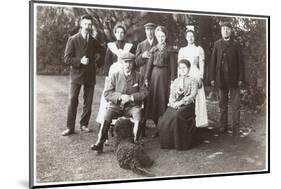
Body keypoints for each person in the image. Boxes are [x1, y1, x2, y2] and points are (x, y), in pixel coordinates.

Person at [91, 52, 148, 153]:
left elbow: (145, 93)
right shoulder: (115, 76)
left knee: (138, 114)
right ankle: (100, 142)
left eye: (130, 62)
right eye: (126, 62)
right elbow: (107, 93)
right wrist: (120, 96)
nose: (128, 65)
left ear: (133, 63)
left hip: (131, 106)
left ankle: (134, 142)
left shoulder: (139, 76)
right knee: (107, 114)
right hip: (117, 106)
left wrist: (131, 97)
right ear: (122, 62)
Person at [62, 15, 102, 136]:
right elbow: (67, 59)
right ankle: (70, 127)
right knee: (72, 100)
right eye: (85, 24)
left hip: (90, 75)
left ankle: (84, 124)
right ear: (81, 24)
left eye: (89, 25)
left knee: (88, 102)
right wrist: (80, 61)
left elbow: (101, 51)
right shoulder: (73, 39)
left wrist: (97, 59)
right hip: (76, 76)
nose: (87, 27)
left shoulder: (93, 40)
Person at [209, 21, 244, 136]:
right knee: (222, 103)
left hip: (234, 79)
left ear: (231, 31)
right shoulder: (217, 44)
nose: (225, 31)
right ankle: (223, 126)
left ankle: (236, 128)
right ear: (221, 31)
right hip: (221, 79)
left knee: (236, 104)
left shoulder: (236, 44)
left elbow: (241, 63)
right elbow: (213, 62)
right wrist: (212, 78)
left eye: (227, 29)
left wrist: (240, 78)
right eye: (223, 29)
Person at [95, 24, 134, 125]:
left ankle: (125, 120)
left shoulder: (129, 46)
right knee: (111, 95)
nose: (120, 34)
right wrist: (108, 78)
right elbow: (107, 64)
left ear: (124, 34)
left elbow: (132, 62)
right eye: (118, 32)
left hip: (125, 73)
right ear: (115, 34)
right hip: (113, 73)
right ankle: (107, 118)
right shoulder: (111, 46)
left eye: (122, 32)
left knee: (124, 94)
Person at [158, 59, 198, 150]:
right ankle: (168, 143)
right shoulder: (176, 81)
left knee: (177, 116)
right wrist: (173, 103)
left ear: (189, 69)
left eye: (184, 68)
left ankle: (180, 144)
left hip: (187, 105)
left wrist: (181, 102)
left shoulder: (193, 81)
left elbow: (192, 95)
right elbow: (171, 95)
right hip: (175, 104)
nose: (182, 70)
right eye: (180, 68)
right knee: (165, 118)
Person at [144, 25, 177, 137]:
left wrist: (173, 80)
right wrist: (146, 78)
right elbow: (149, 66)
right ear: (156, 36)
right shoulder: (154, 49)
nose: (161, 38)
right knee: (155, 101)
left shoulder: (170, 49)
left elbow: (173, 67)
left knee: (164, 101)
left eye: (163, 36)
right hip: (154, 78)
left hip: (165, 78)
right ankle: (157, 126)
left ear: (165, 36)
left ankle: (164, 128)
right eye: (159, 36)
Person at [178, 25, 208, 128]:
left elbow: (202, 64)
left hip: (195, 74)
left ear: (194, 37)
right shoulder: (182, 50)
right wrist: (180, 79)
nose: (190, 38)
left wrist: (201, 77)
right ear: (186, 37)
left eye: (192, 36)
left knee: (197, 97)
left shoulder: (198, 49)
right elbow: (180, 66)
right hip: (186, 74)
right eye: (188, 36)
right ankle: (186, 122)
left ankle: (198, 122)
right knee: (187, 96)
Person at [135, 22, 157, 137]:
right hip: (144, 76)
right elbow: (136, 61)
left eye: (152, 29)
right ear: (145, 31)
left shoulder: (158, 43)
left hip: (155, 75)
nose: (150, 32)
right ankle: (142, 127)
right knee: (143, 99)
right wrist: (142, 56)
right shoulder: (141, 44)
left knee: (155, 98)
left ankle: (157, 124)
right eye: (148, 30)